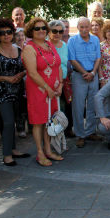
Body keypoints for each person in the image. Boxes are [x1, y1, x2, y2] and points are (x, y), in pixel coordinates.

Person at [0, 19, 28, 166]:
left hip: (17, 91)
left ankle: (13, 149)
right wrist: (5, 78)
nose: (6, 35)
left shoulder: (20, 50)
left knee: (14, 121)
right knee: (8, 122)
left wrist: (20, 76)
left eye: (8, 32)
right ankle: (7, 155)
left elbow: (25, 68)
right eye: (2, 33)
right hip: (1, 92)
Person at [22, 18, 63, 167]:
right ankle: (40, 153)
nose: (41, 31)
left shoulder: (49, 44)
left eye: (43, 28)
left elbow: (57, 65)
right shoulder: (29, 48)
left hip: (53, 90)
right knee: (38, 122)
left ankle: (48, 150)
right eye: (37, 29)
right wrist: (48, 88)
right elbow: (32, 73)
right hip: (38, 90)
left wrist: (61, 85)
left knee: (49, 121)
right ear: (31, 31)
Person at [68, 17, 102, 148]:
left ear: (90, 27)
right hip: (79, 76)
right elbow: (73, 60)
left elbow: (98, 57)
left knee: (93, 105)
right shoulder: (72, 41)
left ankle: (90, 131)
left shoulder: (95, 39)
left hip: (93, 75)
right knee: (78, 105)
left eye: (86, 27)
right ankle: (80, 134)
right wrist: (84, 73)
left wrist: (93, 73)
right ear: (77, 27)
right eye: (81, 27)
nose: (84, 29)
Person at [48, 20, 72, 139]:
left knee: (63, 109)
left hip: (63, 81)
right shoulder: (46, 45)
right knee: (54, 111)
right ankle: (53, 138)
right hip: (51, 82)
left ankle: (60, 137)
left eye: (60, 31)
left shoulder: (64, 45)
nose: (57, 33)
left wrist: (62, 82)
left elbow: (64, 64)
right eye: (54, 31)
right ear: (49, 31)